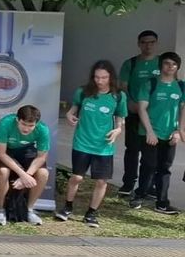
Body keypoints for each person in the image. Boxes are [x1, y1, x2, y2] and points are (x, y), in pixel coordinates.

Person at [56, 61, 127, 226]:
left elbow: (120, 116)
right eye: (97, 77)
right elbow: (73, 109)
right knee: (77, 177)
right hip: (82, 142)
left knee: (101, 181)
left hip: (104, 145)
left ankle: (91, 213)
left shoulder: (118, 96)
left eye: (104, 77)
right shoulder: (83, 91)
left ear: (111, 77)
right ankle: (67, 207)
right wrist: (69, 115)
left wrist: (118, 130)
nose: (100, 81)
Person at [130, 51, 184, 214]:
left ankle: (162, 203)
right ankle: (140, 195)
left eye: (174, 64)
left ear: (178, 67)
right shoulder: (150, 84)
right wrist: (150, 132)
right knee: (149, 165)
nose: (170, 67)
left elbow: (183, 109)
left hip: (169, 135)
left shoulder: (181, 86)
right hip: (150, 133)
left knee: (165, 168)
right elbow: (142, 108)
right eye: (167, 63)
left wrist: (179, 131)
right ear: (161, 65)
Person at [0, 104, 52, 226]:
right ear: (17, 119)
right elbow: (1, 154)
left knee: (43, 173)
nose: (26, 129)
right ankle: (0, 209)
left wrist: (28, 174)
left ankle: (29, 210)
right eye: (23, 124)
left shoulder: (43, 129)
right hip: (6, 149)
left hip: (25, 149)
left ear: (37, 123)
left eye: (31, 126)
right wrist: (23, 175)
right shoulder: (6, 123)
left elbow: (41, 157)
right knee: (3, 171)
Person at [118, 30, 162, 195]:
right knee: (132, 149)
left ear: (156, 43)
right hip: (134, 112)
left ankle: (148, 186)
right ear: (139, 44)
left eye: (151, 42)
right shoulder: (130, 63)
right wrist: (130, 103)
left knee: (151, 152)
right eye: (144, 42)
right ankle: (128, 183)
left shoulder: (162, 63)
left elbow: (170, 82)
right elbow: (123, 86)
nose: (148, 45)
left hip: (155, 116)